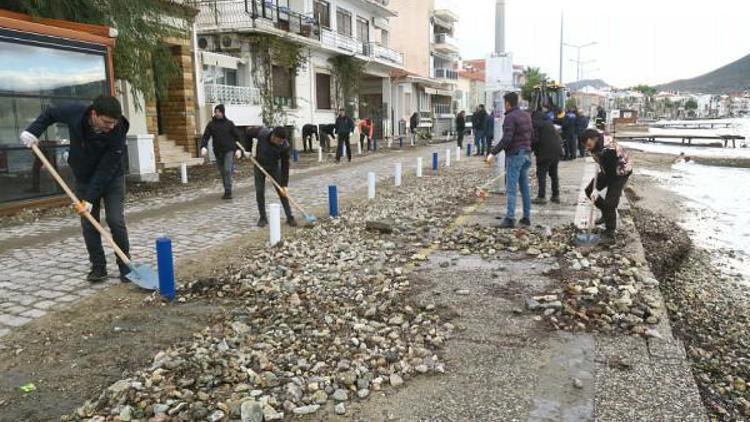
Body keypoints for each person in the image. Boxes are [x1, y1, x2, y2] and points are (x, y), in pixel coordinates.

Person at [21, 95, 132, 283]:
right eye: (106, 122)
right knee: (89, 223)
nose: (110, 126)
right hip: (84, 176)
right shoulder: (76, 112)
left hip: (112, 177)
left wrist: (90, 198)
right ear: (94, 114)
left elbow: (107, 167)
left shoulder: (118, 128)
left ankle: (126, 267)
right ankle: (98, 268)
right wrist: (33, 131)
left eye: (113, 123)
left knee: (115, 220)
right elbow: (50, 113)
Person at [487, 92, 533, 228]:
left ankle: (510, 218)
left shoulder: (510, 118)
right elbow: (532, 135)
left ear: (507, 103)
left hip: (515, 154)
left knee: (511, 188)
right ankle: (526, 217)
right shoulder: (526, 115)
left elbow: (507, 139)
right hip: (526, 154)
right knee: (525, 188)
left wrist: (492, 153)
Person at [581, 128, 633, 245]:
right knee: (589, 190)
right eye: (585, 145)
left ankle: (610, 234)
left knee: (610, 202)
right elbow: (604, 167)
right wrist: (594, 190)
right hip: (607, 169)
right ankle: (606, 214)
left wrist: (599, 191)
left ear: (594, 139)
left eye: (588, 144)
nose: (587, 148)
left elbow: (611, 176)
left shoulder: (609, 150)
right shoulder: (596, 143)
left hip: (620, 171)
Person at [247, 126, 296, 228]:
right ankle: (263, 218)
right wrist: (248, 150)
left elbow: (285, 166)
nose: (281, 143)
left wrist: (284, 184)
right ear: (273, 136)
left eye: (282, 141)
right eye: (279, 141)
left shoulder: (285, 146)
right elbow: (247, 132)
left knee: (281, 191)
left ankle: (289, 216)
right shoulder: (262, 133)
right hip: (259, 165)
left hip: (274, 167)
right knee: (259, 191)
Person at [200, 104, 242, 199]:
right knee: (223, 172)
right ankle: (227, 188)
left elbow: (237, 136)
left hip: (229, 150)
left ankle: (228, 191)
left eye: (219, 111)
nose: (217, 113)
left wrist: (239, 149)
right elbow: (206, 136)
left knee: (227, 170)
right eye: (216, 112)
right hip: (218, 151)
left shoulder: (229, 124)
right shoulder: (211, 125)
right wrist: (203, 146)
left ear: (223, 112)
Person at [531, 111, 563, 205]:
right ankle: (555, 195)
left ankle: (541, 196)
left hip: (544, 153)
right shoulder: (549, 124)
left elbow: (535, 140)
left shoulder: (536, 125)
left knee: (541, 174)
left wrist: (531, 149)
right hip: (556, 152)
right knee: (554, 174)